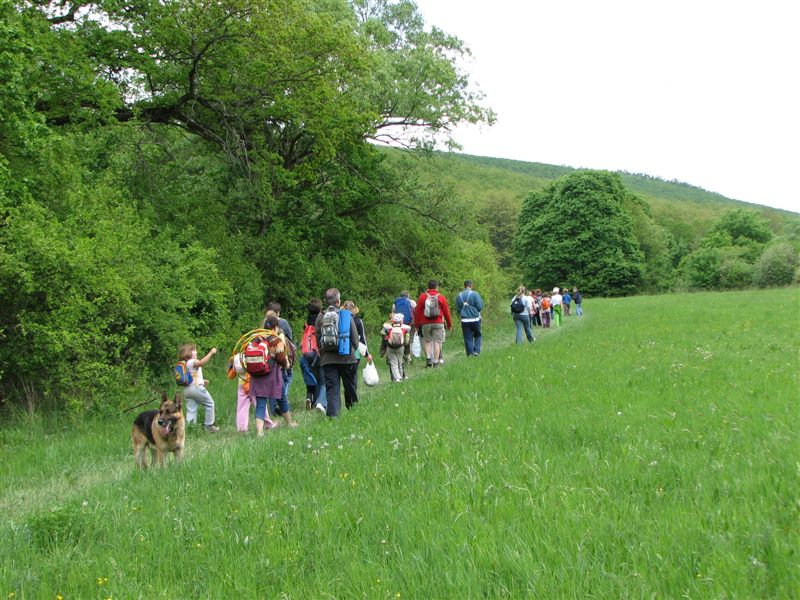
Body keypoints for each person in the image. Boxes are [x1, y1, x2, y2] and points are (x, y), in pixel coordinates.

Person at [249, 314, 297, 433]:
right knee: (282, 398)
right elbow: (280, 357)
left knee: (261, 403)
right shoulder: (275, 340)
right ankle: (289, 423)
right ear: (275, 327)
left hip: (257, 376)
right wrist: (286, 364)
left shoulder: (256, 338)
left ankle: (259, 432)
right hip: (272, 375)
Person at [316, 288, 360, 417]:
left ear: (326, 301)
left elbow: (318, 338)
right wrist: (353, 351)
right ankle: (353, 412)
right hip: (347, 357)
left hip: (328, 360)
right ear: (338, 301)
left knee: (332, 389)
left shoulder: (321, 316)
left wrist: (323, 353)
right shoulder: (345, 315)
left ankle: (333, 416)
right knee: (350, 386)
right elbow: (355, 339)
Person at [229, 352, 276, 433]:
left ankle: (242, 428)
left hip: (242, 383)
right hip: (254, 382)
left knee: (242, 407)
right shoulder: (254, 353)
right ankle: (267, 424)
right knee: (260, 404)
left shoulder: (238, 355)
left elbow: (234, 370)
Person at [180, 343, 220, 432]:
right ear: (188, 352)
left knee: (191, 409)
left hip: (187, 390)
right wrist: (211, 353)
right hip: (196, 389)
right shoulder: (192, 361)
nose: (196, 352)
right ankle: (209, 426)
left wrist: (202, 380)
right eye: (194, 350)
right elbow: (201, 363)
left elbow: (193, 376)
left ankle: (190, 428)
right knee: (210, 404)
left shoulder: (186, 364)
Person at [413, 280, 452, 367]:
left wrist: (417, 325)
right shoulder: (441, 297)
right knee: (437, 342)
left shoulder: (423, 297)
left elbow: (417, 312)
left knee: (427, 341)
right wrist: (449, 324)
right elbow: (446, 312)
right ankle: (436, 362)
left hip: (425, 323)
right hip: (438, 323)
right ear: (437, 287)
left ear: (428, 287)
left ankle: (428, 359)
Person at [266, 302, 294, 417]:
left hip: (267, 363)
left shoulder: (263, 326)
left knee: (271, 384)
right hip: (280, 360)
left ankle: (273, 409)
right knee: (286, 379)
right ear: (277, 313)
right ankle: (284, 406)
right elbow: (290, 337)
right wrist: (286, 362)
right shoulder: (282, 324)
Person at [299, 298, 326, 413]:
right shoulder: (322, 320)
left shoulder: (306, 323)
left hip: (308, 354)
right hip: (319, 353)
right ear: (320, 309)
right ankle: (320, 403)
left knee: (313, 379)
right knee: (323, 381)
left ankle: (311, 399)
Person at [455, 279, 484, 357]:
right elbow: (479, 307)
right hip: (475, 319)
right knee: (478, 335)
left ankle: (470, 354)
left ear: (464, 286)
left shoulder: (459, 296)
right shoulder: (475, 294)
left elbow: (458, 309)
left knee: (468, 338)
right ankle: (476, 351)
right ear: (471, 285)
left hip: (464, 320)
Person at [379, 312, 411, 381]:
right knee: (400, 363)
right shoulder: (405, 328)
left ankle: (397, 378)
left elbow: (382, 334)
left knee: (393, 363)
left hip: (390, 347)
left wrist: (386, 340)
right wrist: (407, 352)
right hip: (400, 347)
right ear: (401, 320)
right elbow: (407, 341)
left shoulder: (388, 327)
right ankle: (401, 377)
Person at [392, 290, 415, 364]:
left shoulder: (396, 302)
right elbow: (415, 310)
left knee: (400, 339)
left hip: (399, 325)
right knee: (409, 340)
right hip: (409, 324)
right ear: (408, 295)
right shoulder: (411, 302)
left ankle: (401, 357)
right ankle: (408, 357)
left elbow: (393, 312)